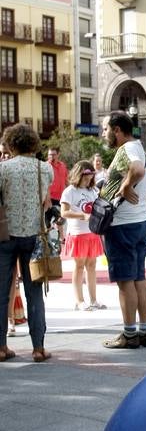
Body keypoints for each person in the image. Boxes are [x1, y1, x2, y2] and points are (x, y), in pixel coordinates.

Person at [100, 111, 146, 350]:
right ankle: (145, 331)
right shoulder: (140, 147)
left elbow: (137, 170)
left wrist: (124, 184)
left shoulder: (129, 149)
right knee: (139, 278)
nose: (104, 134)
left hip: (122, 225)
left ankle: (129, 334)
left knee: (125, 282)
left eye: (105, 129)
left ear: (117, 130)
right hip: (139, 222)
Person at [0, 123, 52, 363]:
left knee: (1, 292)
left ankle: (1, 347)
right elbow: (44, 201)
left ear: (10, 143)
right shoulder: (45, 169)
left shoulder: (3, 169)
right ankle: (38, 348)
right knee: (34, 293)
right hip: (34, 236)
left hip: (5, 235)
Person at [60, 160, 105, 311]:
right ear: (78, 174)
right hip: (78, 233)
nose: (88, 179)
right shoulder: (70, 191)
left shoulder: (94, 191)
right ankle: (79, 301)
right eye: (86, 176)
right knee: (79, 267)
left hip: (92, 232)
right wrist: (81, 216)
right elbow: (64, 212)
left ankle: (93, 300)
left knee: (92, 266)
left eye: (91, 176)